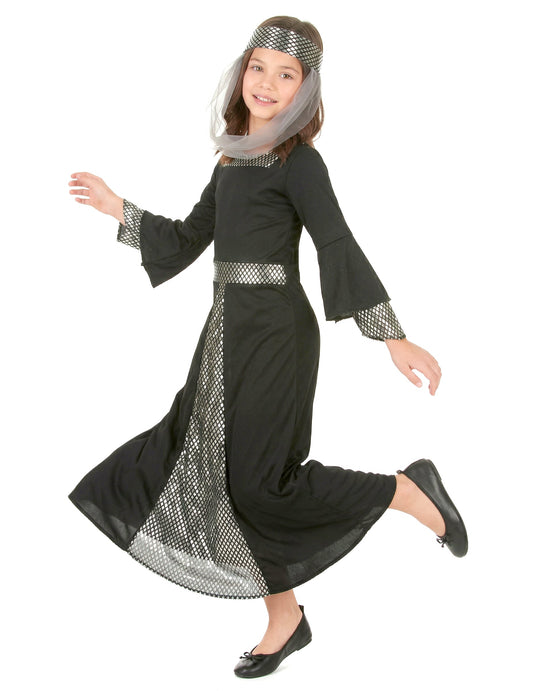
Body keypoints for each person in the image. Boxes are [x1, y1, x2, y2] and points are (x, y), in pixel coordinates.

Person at [67, 15, 468, 680]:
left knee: (259, 483)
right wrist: (118, 209)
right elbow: (189, 239)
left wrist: (390, 335)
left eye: (287, 75)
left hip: (277, 334)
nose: (267, 83)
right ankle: (286, 618)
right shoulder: (231, 159)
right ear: (242, 72)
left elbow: (335, 241)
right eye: (259, 67)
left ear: (304, 91)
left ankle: (404, 490)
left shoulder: (298, 163)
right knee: (219, 475)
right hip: (225, 333)